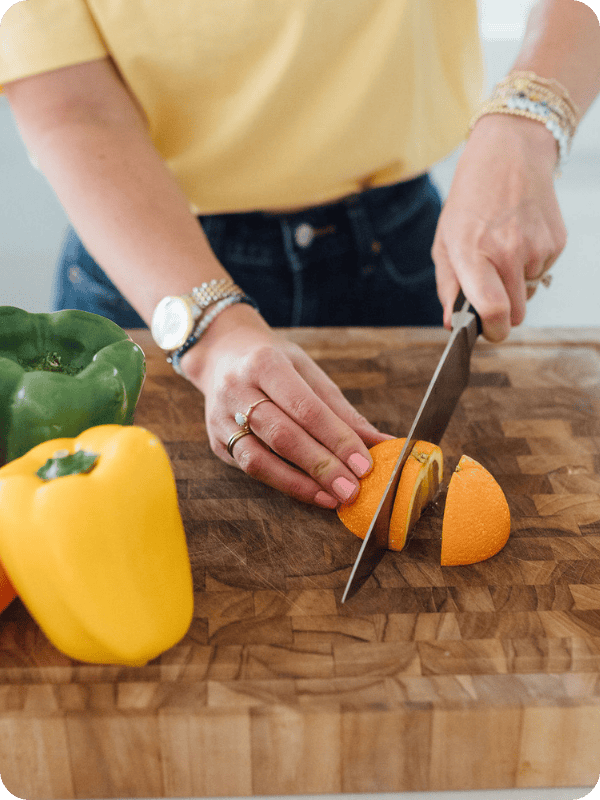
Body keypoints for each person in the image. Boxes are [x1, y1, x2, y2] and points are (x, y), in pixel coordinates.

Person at [1, 0, 599, 510]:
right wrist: (210, 335)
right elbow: (73, 103)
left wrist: (530, 116)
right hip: (142, 265)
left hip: (395, 244)